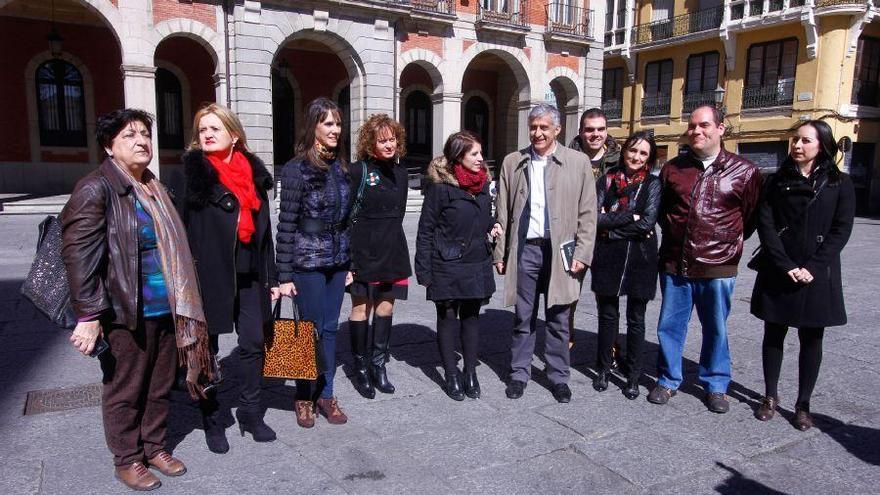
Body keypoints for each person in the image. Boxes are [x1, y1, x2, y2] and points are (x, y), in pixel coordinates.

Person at [61, 109, 214, 491]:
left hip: (166, 308)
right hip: (124, 311)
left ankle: (154, 446)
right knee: (126, 388)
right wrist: (88, 314)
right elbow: (79, 256)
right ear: (109, 147)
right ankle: (127, 458)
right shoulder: (96, 188)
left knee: (160, 384)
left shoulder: (153, 186)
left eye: (145, 133)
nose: (141, 141)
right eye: (129, 135)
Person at [648, 104, 762, 413]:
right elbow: (662, 213)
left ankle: (715, 384)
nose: (697, 131)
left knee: (716, 328)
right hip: (675, 262)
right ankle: (668, 379)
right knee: (669, 326)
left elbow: (749, 219)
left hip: (718, 266)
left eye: (704, 125)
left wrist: (724, 245)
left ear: (721, 128)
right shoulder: (673, 169)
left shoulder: (745, 171)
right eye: (693, 126)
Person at [180, 103, 279, 452]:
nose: (206, 134)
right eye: (202, 129)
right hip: (209, 277)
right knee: (207, 351)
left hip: (251, 273)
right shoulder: (193, 175)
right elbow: (182, 232)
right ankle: (212, 417)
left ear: (233, 135)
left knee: (253, 342)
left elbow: (266, 235)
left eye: (214, 129)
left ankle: (252, 413)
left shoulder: (254, 177)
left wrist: (274, 278)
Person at [751, 120, 855, 430]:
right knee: (774, 333)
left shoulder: (840, 183)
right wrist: (785, 265)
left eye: (805, 140)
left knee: (812, 338)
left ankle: (803, 404)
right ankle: (770, 397)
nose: (797, 145)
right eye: (795, 139)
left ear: (821, 145)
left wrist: (812, 267)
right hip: (780, 268)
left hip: (817, 272)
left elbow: (842, 229)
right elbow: (765, 225)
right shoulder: (775, 180)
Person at [494, 103, 597, 403]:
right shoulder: (513, 161)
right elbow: (502, 210)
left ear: (557, 129)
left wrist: (582, 252)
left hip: (561, 251)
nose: (537, 133)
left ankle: (558, 376)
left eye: (544, 127)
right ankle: (518, 374)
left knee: (559, 316)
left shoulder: (577, 163)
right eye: (533, 127)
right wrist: (500, 254)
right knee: (523, 316)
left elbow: (588, 213)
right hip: (525, 249)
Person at [277, 97, 351, 428]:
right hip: (307, 260)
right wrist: (283, 275)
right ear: (314, 128)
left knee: (331, 328)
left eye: (338, 123)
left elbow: (349, 219)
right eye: (328, 124)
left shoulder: (342, 166)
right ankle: (303, 396)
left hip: (337, 260)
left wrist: (351, 263)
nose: (335, 129)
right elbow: (286, 223)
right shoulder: (296, 168)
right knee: (306, 330)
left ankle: (326, 394)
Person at [415, 131, 501, 401]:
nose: (480, 159)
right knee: (448, 317)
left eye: (480, 153)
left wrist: (493, 225)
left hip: (476, 261)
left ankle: (470, 373)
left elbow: (481, 220)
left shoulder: (483, 186)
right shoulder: (440, 189)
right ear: (458, 157)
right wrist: (424, 270)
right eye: (474, 154)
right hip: (446, 263)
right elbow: (425, 230)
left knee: (472, 318)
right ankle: (451, 375)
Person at [590, 131, 661, 400]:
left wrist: (613, 227)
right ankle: (604, 369)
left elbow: (647, 223)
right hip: (608, 256)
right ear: (624, 151)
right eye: (633, 150)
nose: (636, 157)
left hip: (641, 258)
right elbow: (595, 218)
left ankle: (632, 376)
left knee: (636, 319)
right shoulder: (606, 181)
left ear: (649, 158)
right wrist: (630, 216)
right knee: (607, 317)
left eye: (643, 153)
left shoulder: (653, 185)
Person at [347, 114, 412, 399]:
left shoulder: (402, 173)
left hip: (393, 251)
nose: (389, 145)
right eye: (382, 140)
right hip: (362, 252)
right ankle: (360, 368)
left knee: (386, 309)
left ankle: (378, 366)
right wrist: (347, 261)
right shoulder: (357, 171)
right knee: (362, 309)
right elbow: (345, 216)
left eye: (392, 139)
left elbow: (398, 214)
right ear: (370, 143)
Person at [569, 107, 620, 179]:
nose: (596, 134)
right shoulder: (567, 161)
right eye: (590, 130)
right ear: (580, 132)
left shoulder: (620, 161)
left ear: (606, 131)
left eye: (601, 129)